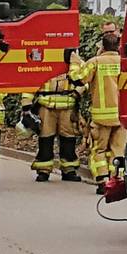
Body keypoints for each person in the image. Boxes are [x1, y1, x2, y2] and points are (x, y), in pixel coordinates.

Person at [74, 30, 126, 183]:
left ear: (103, 46)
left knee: (99, 150)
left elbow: (78, 79)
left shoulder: (95, 62)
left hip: (101, 117)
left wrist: (76, 62)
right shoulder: (125, 62)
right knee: (118, 150)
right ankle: (117, 179)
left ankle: (102, 180)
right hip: (122, 116)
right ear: (118, 46)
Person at [32, 51, 82, 182]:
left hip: (67, 105)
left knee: (68, 139)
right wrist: (26, 106)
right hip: (46, 105)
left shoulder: (73, 57)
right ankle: (43, 170)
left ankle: (69, 169)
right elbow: (31, 79)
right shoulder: (42, 54)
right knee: (45, 139)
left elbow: (85, 78)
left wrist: (77, 92)